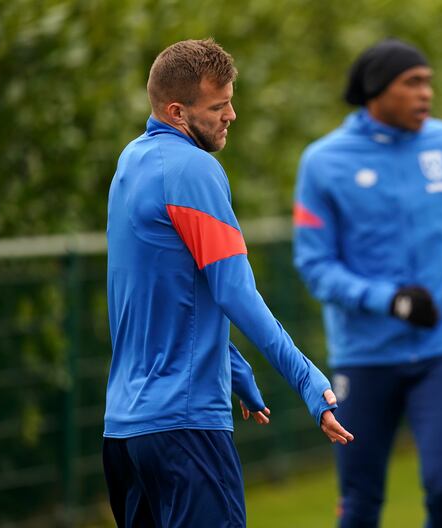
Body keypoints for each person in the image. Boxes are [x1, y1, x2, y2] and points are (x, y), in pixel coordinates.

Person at [102, 38, 353, 527]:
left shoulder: (130, 164)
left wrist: (233, 366)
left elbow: (164, 295)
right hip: (186, 426)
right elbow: (234, 291)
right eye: (218, 106)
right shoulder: (195, 169)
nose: (231, 115)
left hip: (126, 433)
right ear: (177, 111)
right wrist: (305, 378)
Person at [292, 38, 442, 528]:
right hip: (364, 356)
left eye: (428, 82)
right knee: (360, 500)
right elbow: (315, 266)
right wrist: (390, 301)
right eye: (413, 83)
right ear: (376, 90)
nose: (426, 94)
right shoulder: (323, 162)